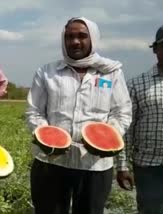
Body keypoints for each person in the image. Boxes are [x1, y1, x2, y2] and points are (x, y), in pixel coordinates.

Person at [26, 17, 132, 214]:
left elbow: (122, 112)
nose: (75, 41)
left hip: (95, 165)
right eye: (69, 36)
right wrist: (46, 135)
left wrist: (106, 138)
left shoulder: (111, 73)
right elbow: (34, 111)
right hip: (50, 162)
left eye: (82, 36)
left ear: (93, 39)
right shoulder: (47, 72)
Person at [116, 22, 163, 214]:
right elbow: (127, 130)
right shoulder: (135, 85)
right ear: (155, 49)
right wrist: (122, 166)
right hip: (151, 167)